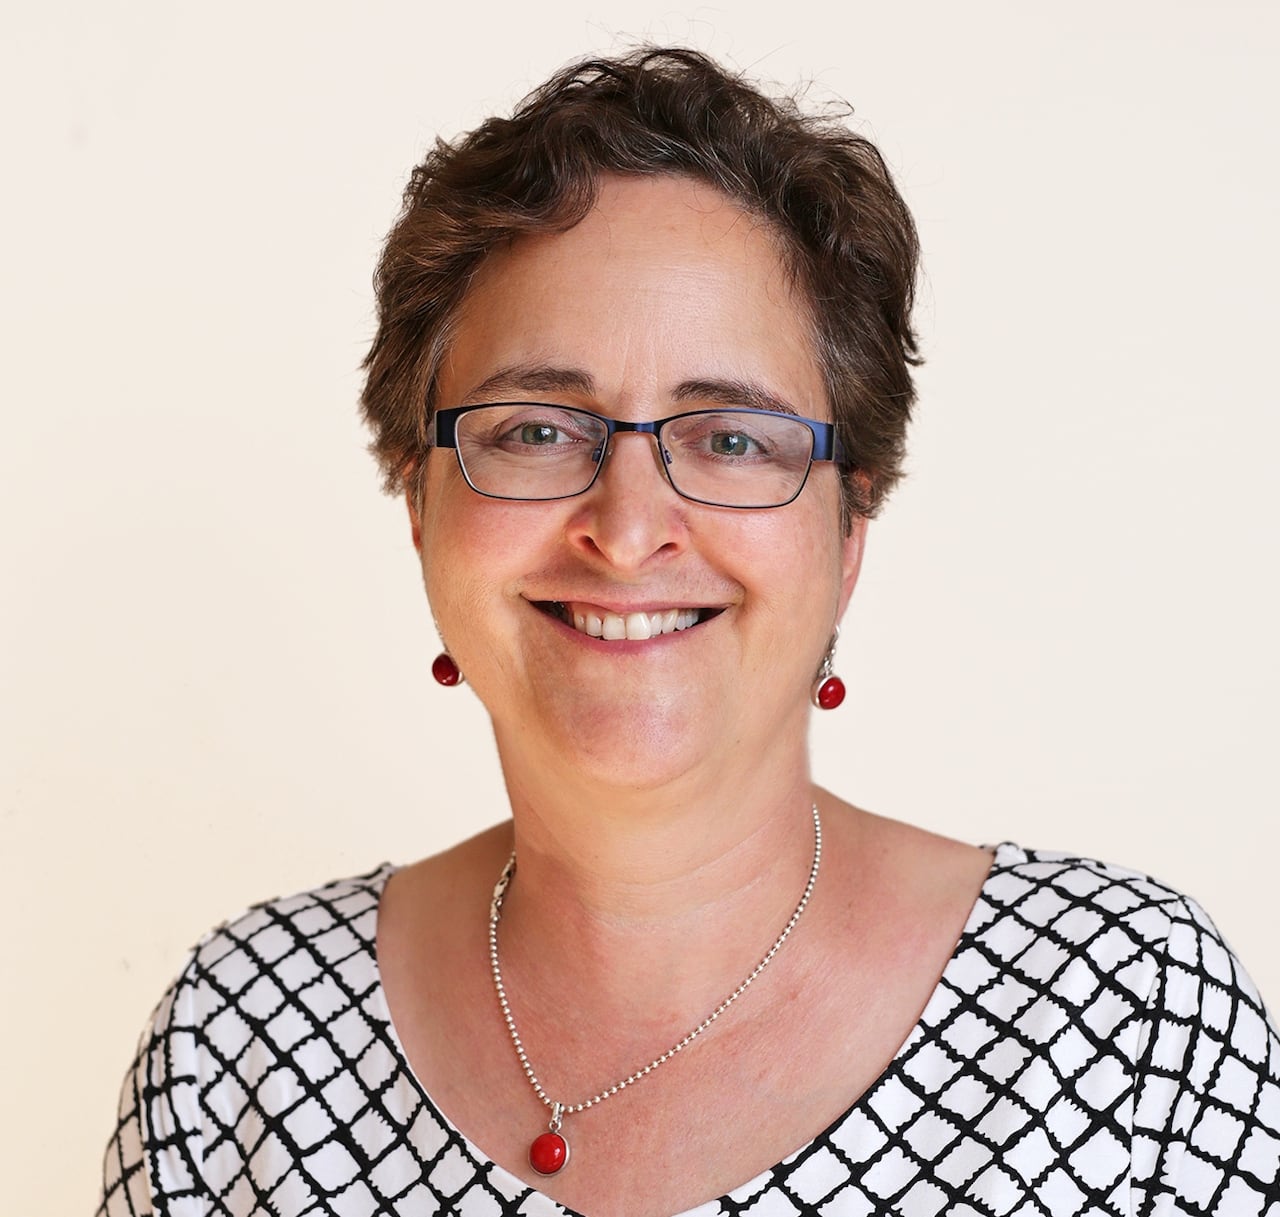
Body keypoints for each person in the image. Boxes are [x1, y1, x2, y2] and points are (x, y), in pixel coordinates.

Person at [97, 47, 1279, 1217]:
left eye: (727, 439)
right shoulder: (235, 1044)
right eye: (535, 430)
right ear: (419, 500)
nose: (625, 527)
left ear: (849, 522)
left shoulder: (1123, 1028)